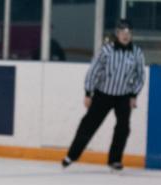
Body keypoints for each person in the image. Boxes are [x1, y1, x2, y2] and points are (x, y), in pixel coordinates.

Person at [61, 19, 145, 170]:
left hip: (124, 96)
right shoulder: (107, 50)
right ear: (117, 34)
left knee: (123, 128)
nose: (125, 36)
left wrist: (134, 95)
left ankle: (114, 160)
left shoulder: (137, 52)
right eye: (122, 32)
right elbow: (93, 71)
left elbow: (140, 76)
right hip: (103, 95)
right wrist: (88, 92)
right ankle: (71, 156)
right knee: (88, 125)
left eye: (128, 33)